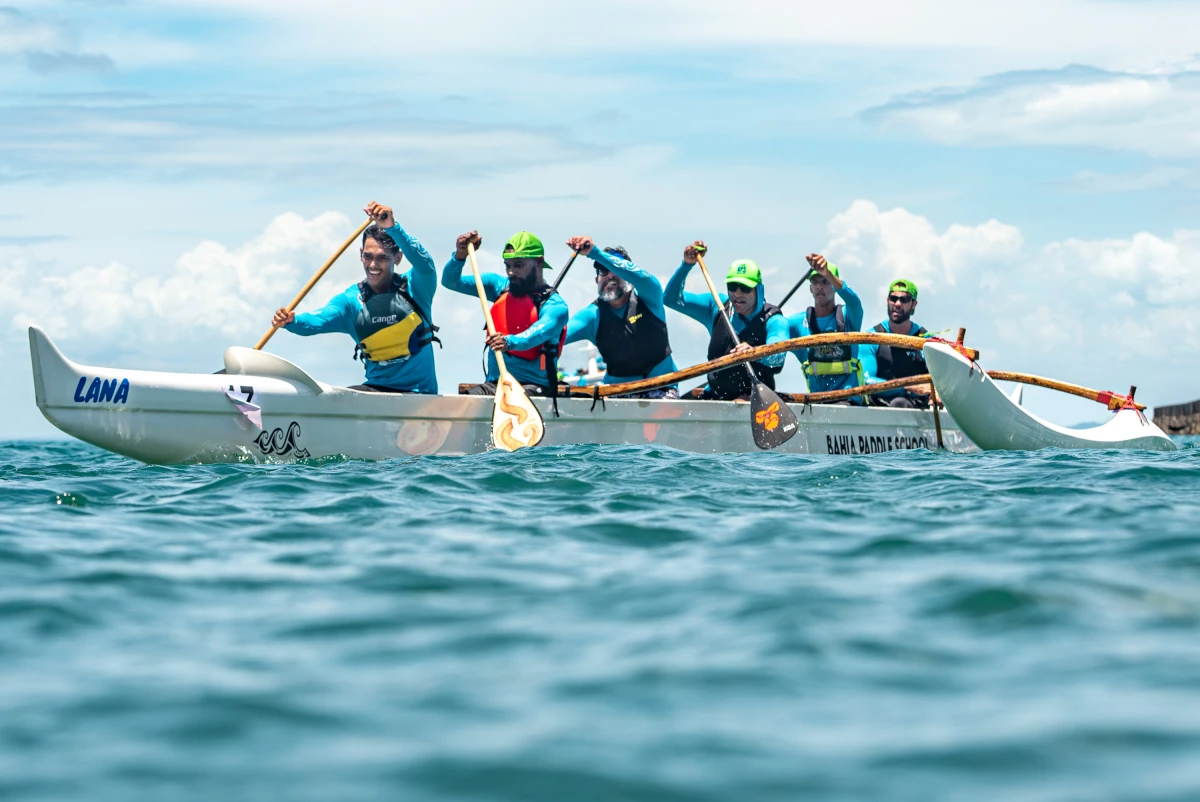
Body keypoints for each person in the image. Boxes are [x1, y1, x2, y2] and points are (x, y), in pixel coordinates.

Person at [271, 202, 439, 393]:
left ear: (397, 257)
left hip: (421, 396)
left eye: (382, 258)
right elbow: (316, 321)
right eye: (368, 256)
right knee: (337, 398)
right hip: (377, 391)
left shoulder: (416, 287)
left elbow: (425, 264)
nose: (373, 265)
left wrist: (393, 228)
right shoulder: (351, 302)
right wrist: (291, 321)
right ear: (361, 254)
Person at [441, 230, 569, 397]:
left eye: (518, 265)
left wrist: (508, 341)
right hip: (495, 385)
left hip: (534, 387)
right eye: (508, 265)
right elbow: (450, 281)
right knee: (463, 403)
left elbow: (536, 335)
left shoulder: (556, 306)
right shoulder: (498, 286)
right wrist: (460, 255)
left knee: (515, 398)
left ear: (539, 262)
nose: (511, 272)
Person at [664, 241, 788, 400]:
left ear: (759, 290)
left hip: (757, 401)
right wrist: (686, 265)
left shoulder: (774, 320)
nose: (737, 294)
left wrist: (755, 353)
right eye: (733, 287)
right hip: (715, 397)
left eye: (745, 288)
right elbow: (671, 299)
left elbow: (778, 356)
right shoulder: (716, 307)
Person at [562, 235, 678, 398]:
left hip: (662, 388)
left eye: (616, 271)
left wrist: (595, 253)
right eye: (603, 271)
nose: (610, 276)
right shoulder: (591, 316)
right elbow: (553, 337)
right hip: (617, 393)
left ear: (629, 277)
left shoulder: (649, 296)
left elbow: (642, 277)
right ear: (597, 280)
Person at [786, 254, 865, 401]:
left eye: (825, 281)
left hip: (848, 402)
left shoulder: (849, 316)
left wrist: (828, 273)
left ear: (834, 287)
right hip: (816, 402)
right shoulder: (797, 323)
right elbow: (773, 332)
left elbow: (854, 301)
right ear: (810, 288)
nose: (819, 287)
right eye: (815, 282)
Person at [859, 279, 933, 408]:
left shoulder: (926, 340)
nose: (898, 304)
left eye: (904, 300)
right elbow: (866, 380)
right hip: (877, 404)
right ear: (888, 300)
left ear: (914, 304)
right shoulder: (871, 337)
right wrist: (907, 387)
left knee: (899, 403)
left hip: (913, 405)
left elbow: (942, 379)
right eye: (893, 298)